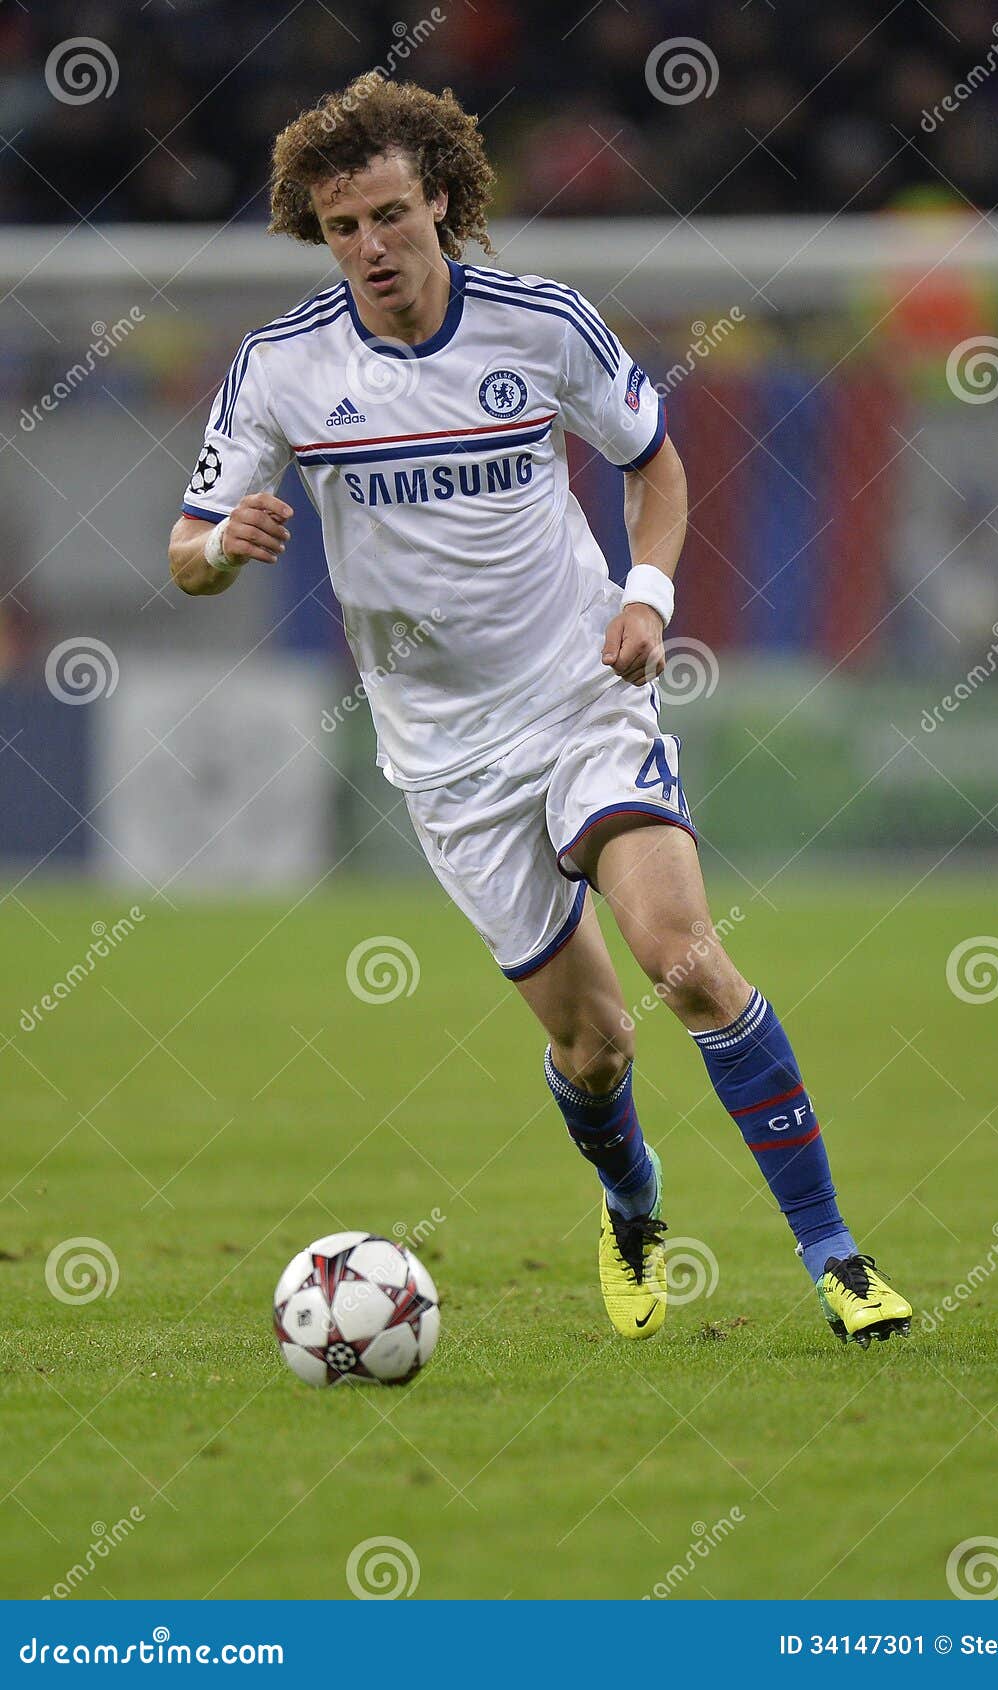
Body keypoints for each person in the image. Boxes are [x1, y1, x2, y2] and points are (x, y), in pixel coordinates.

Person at [169, 74, 911, 1352]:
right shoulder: (285, 368)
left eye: (392, 215)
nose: (373, 247)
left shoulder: (542, 326)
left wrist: (649, 595)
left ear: (441, 200)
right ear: (319, 231)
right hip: (446, 758)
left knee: (682, 958)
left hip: (585, 696)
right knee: (597, 1045)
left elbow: (656, 466)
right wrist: (224, 543)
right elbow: (183, 551)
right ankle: (632, 1205)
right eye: (344, 227)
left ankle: (836, 1256)